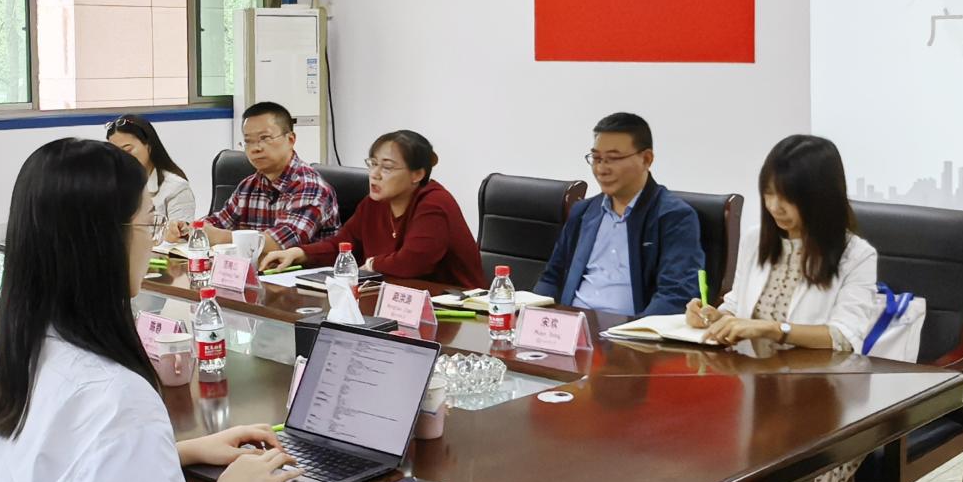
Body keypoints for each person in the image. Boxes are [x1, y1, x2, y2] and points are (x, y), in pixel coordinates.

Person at [0, 138, 295, 482]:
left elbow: (53, 473)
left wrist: (181, 451)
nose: (153, 240)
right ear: (104, 240)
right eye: (148, 222)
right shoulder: (112, 394)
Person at [685, 134, 878, 482]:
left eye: (788, 198)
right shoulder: (758, 239)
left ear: (820, 198)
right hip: (756, 396)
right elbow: (738, 305)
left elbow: (844, 336)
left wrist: (773, 329)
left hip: (825, 403)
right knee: (702, 467)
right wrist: (712, 314)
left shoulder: (855, 255)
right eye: (769, 194)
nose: (775, 207)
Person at [261, 130, 486, 289]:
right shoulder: (374, 203)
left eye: (387, 167)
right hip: (395, 301)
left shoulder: (434, 204)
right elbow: (343, 245)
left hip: (458, 312)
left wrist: (372, 264)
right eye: (373, 164)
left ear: (417, 174)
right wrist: (300, 253)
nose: (375, 174)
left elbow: (413, 262)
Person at [533, 113, 702, 317]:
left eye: (612, 159)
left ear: (646, 159)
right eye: (596, 158)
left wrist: (634, 332)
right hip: (572, 325)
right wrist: (534, 317)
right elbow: (552, 278)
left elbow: (676, 294)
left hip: (628, 330)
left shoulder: (673, 217)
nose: (601, 169)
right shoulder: (583, 212)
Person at [164, 101, 339, 250]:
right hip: (254, 274)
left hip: (301, 277)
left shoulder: (310, 186)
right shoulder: (249, 185)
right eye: (248, 141)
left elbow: (280, 243)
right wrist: (187, 230)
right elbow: (219, 221)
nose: (256, 148)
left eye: (265, 138)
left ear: (290, 140)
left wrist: (219, 237)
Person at [108, 113, 196, 224]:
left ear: (148, 146)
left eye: (127, 150)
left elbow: (181, 233)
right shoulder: (110, 186)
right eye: (115, 153)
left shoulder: (176, 188)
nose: (121, 157)